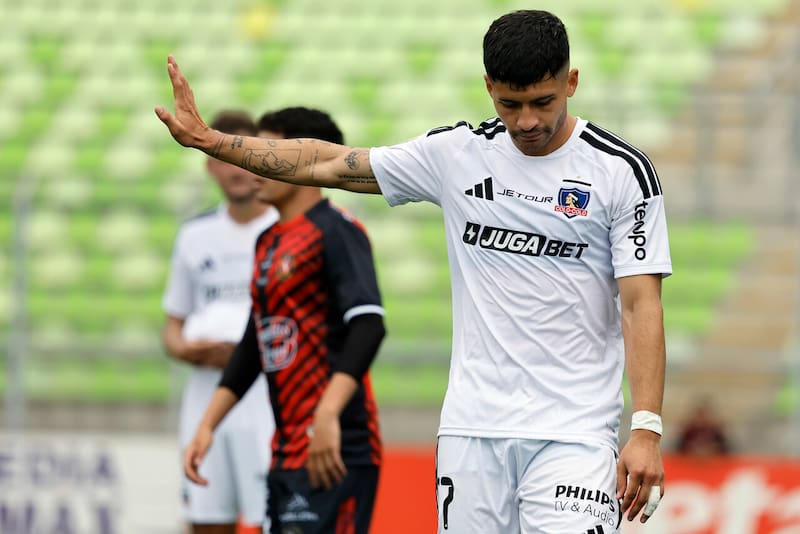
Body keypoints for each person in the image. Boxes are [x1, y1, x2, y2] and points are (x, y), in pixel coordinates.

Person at [156, 9, 670, 533]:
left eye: (543, 102)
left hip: (575, 433)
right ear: (488, 86)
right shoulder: (458, 155)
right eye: (509, 104)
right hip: (472, 431)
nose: (527, 121)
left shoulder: (620, 172)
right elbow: (327, 163)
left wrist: (646, 428)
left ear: (572, 82)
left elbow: (639, 303)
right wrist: (212, 141)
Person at [182, 106, 386, 534]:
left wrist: (327, 414)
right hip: (287, 447)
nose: (255, 163)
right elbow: (255, 343)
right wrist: (207, 426)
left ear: (306, 158)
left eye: (268, 151)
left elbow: (368, 325)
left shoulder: (337, 231)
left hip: (336, 447)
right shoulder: (268, 241)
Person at [161, 110, 278, 534]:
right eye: (225, 157)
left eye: (244, 153)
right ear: (210, 164)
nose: (237, 169)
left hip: (266, 396)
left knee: (276, 518)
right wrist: (185, 349)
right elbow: (173, 324)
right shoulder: (195, 235)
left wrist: (250, 351)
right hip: (205, 394)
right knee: (207, 519)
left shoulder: (286, 230)